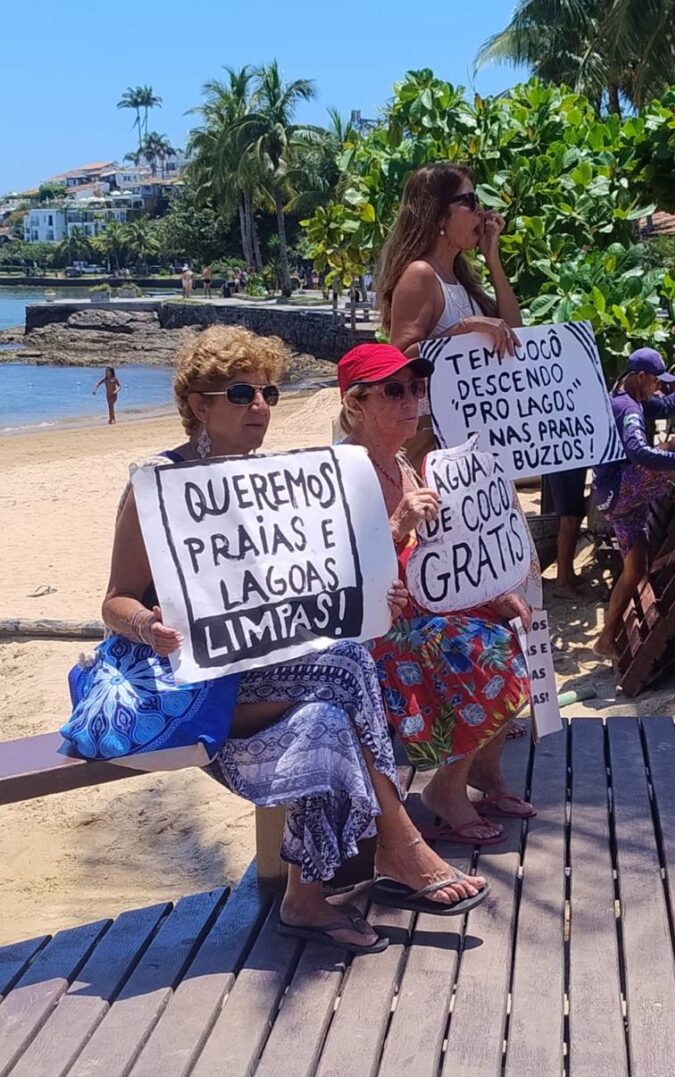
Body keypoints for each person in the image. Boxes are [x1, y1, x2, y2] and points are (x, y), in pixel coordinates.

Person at [65, 326, 488, 956]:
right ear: (199, 404)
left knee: (323, 717)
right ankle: (399, 843)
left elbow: (312, 586)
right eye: (240, 393)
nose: (259, 406)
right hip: (188, 679)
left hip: (267, 673)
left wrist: (376, 595)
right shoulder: (156, 485)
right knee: (344, 668)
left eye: (268, 392)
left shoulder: (273, 483)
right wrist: (147, 627)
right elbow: (114, 600)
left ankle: (306, 900)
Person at [338, 342, 535, 845]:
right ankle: (444, 790)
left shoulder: (405, 465)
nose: (411, 400)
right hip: (366, 631)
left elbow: (441, 562)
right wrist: (397, 525)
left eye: (416, 388)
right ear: (355, 404)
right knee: (478, 650)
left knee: (512, 629)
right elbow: (331, 570)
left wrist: (492, 595)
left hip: (414, 613)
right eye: (393, 391)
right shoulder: (339, 473)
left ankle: (484, 775)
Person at [375, 162, 522, 470]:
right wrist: (466, 328)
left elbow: (515, 331)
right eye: (469, 201)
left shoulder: (458, 277)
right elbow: (400, 359)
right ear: (439, 215)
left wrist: (493, 259)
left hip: (476, 436)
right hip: (436, 441)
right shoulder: (421, 274)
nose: (481, 212)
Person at [592, 349, 675, 660]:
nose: (659, 387)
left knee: (635, 569)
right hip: (622, 489)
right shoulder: (629, 410)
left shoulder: (626, 394)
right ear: (640, 377)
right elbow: (639, 452)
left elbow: (668, 406)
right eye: (656, 381)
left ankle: (606, 638)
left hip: (611, 498)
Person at [545, 468, 589, 598]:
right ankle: (562, 582)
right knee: (569, 519)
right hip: (563, 466)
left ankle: (568, 573)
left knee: (576, 516)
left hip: (574, 464)